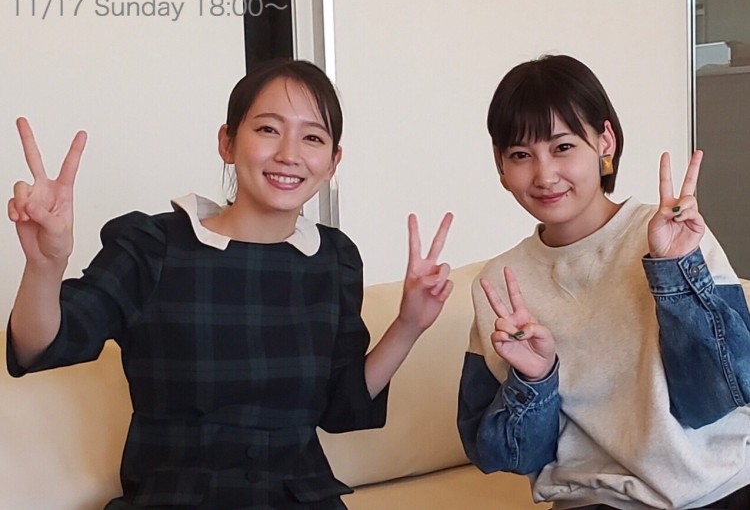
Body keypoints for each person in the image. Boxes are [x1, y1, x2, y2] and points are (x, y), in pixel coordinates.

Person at [7, 59, 454, 509]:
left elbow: (340, 406)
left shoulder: (334, 260)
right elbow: (39, 346)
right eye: (268, 129)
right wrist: (46, 265)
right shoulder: (153, 246)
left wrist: (408, 325)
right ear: (227, 142)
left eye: (312, 138)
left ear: (333, 162)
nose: (290, 154)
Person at [457, 54, 750, 509]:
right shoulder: (498, 285)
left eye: (562, 147)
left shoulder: (671, 236)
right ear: (501, 165)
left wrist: (676, 273)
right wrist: (535, 379)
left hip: (724, 488)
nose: (544, 175)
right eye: (521, 155)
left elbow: (718, 398)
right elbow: (503, 457)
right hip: (596, 500)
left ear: (604, 141)